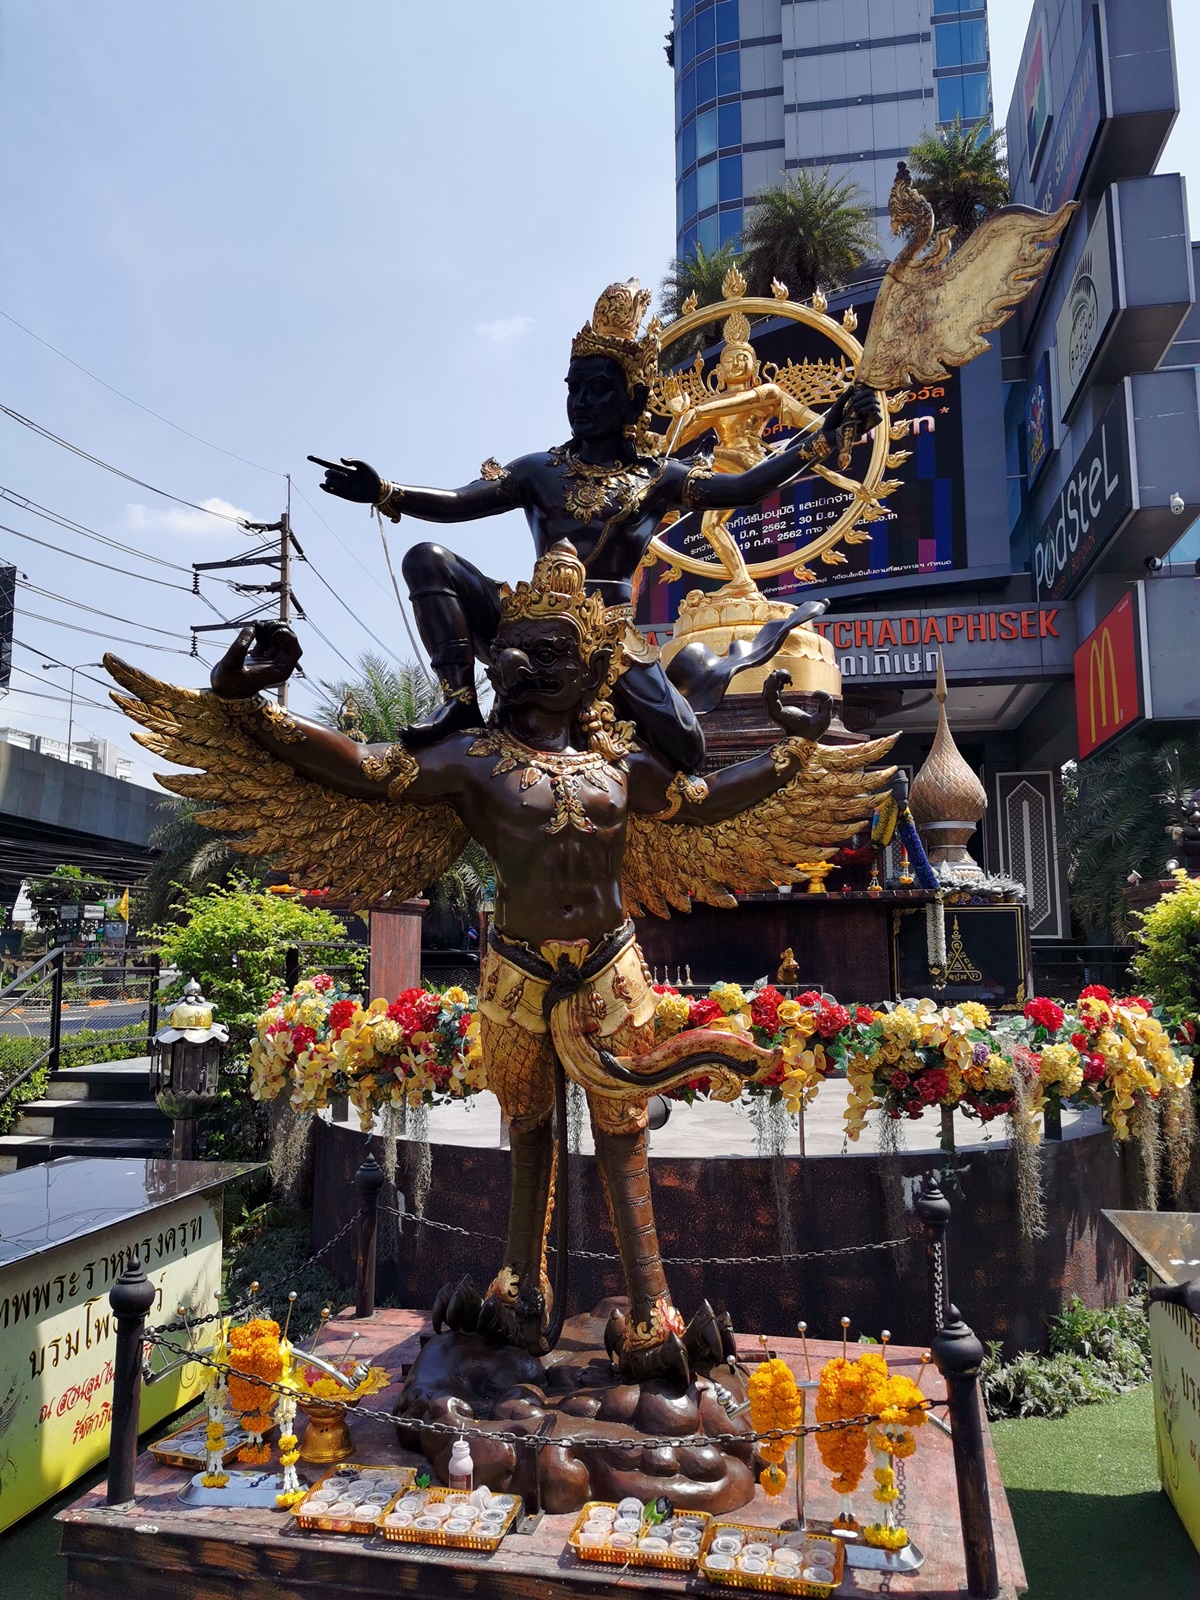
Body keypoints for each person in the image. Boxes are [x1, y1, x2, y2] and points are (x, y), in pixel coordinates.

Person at [205, 543, 851, 1381]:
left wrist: (791, 753)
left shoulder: (623, 767)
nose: (521, 664)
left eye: (548, 652)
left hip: (610, 970)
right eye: (512, 650)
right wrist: (253, 709)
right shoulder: (471, 761)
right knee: (528, 1129)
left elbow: (702, 802)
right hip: (517, 975)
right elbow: (365, 768)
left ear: (593, 672)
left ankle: (651, 1311)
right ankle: (520, 1293)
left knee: (624, 1134)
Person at [310, 278, 880, 771]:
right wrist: (386, 491)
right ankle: (459, 700)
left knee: (688, 749)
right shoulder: (538, 470)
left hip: (609, 638)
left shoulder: (658, 476)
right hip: (531, 622)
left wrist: (826, 434)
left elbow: (743, 487)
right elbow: (461, 502)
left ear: (633, 399)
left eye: (598, 389)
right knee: (427, 558)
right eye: (573, 389)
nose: (580, 402)